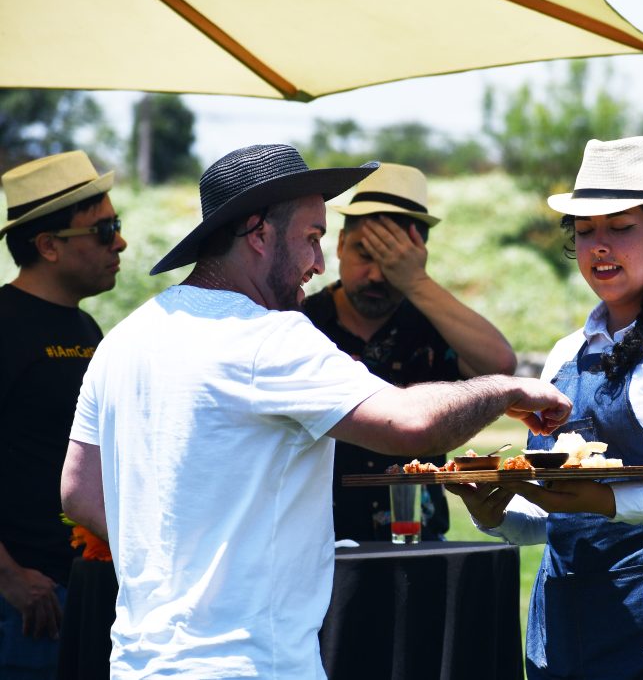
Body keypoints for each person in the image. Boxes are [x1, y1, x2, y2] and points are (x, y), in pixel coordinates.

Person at [58, 144, 570, 680]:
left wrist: (181, 551)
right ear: (258, 234)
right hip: (250, 665)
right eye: (311, 237)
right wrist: (506, 390)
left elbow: (79, 492)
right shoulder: (270, 337)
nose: (319, 264)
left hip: (137, 663)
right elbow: (410, 424)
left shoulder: (123, 339)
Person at [448, 136, 643, 679]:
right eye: (586, 230)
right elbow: (554, 515)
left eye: (621, 228)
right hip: (571, 613)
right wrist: (493, 511)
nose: (599, 246)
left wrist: (603, 499)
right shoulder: (565, 353)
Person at [303, 163, 517, 542]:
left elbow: (499, 366)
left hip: (419, 543)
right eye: (365, 254)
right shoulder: (304, 324)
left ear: (419, 258)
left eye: (393, 262)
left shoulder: (433, 324)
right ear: (340, 245)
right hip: (319, 545)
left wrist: (416, 281)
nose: (376, 275)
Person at [0, 150, 126, 679]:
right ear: (48, 245)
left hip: (82, 588)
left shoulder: (85, 328)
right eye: (104, 230)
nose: (120, 242)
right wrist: (9, 577)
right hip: (24, 604)